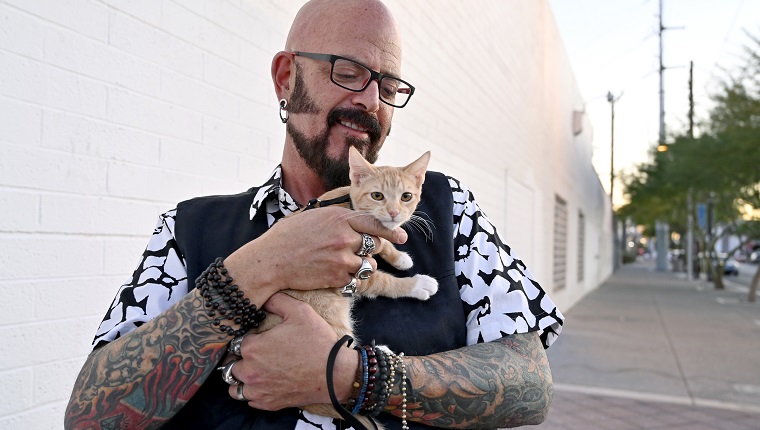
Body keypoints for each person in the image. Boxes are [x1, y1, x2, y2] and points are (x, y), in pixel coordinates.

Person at [65, 0, 564, 429]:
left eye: (389, 87)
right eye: (347, 72)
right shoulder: (189, 229)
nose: (370, 99)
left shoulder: (448, 208)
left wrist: (353, 376)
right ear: (286, 77)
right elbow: (89, 415)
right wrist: (258, 268)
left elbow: (532, 383)